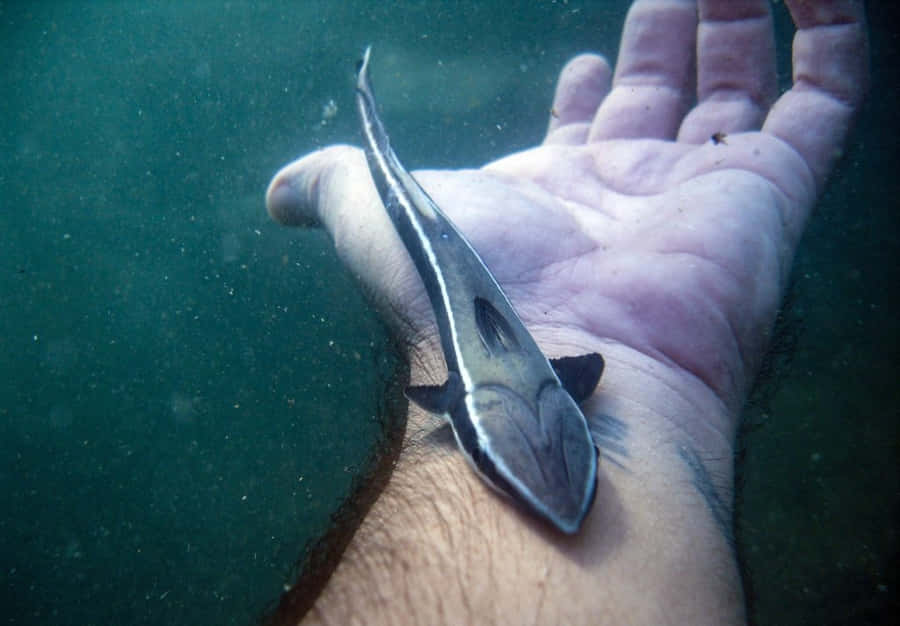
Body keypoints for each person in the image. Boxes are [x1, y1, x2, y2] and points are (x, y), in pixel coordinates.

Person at [264, 0, 868, 623]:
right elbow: (582, 369)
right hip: (498, 377)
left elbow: (583, 369)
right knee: (398, 193)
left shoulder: (557, 388)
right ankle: (363, 92)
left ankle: (364, 88)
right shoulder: (495, 398)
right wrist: (666, 397)